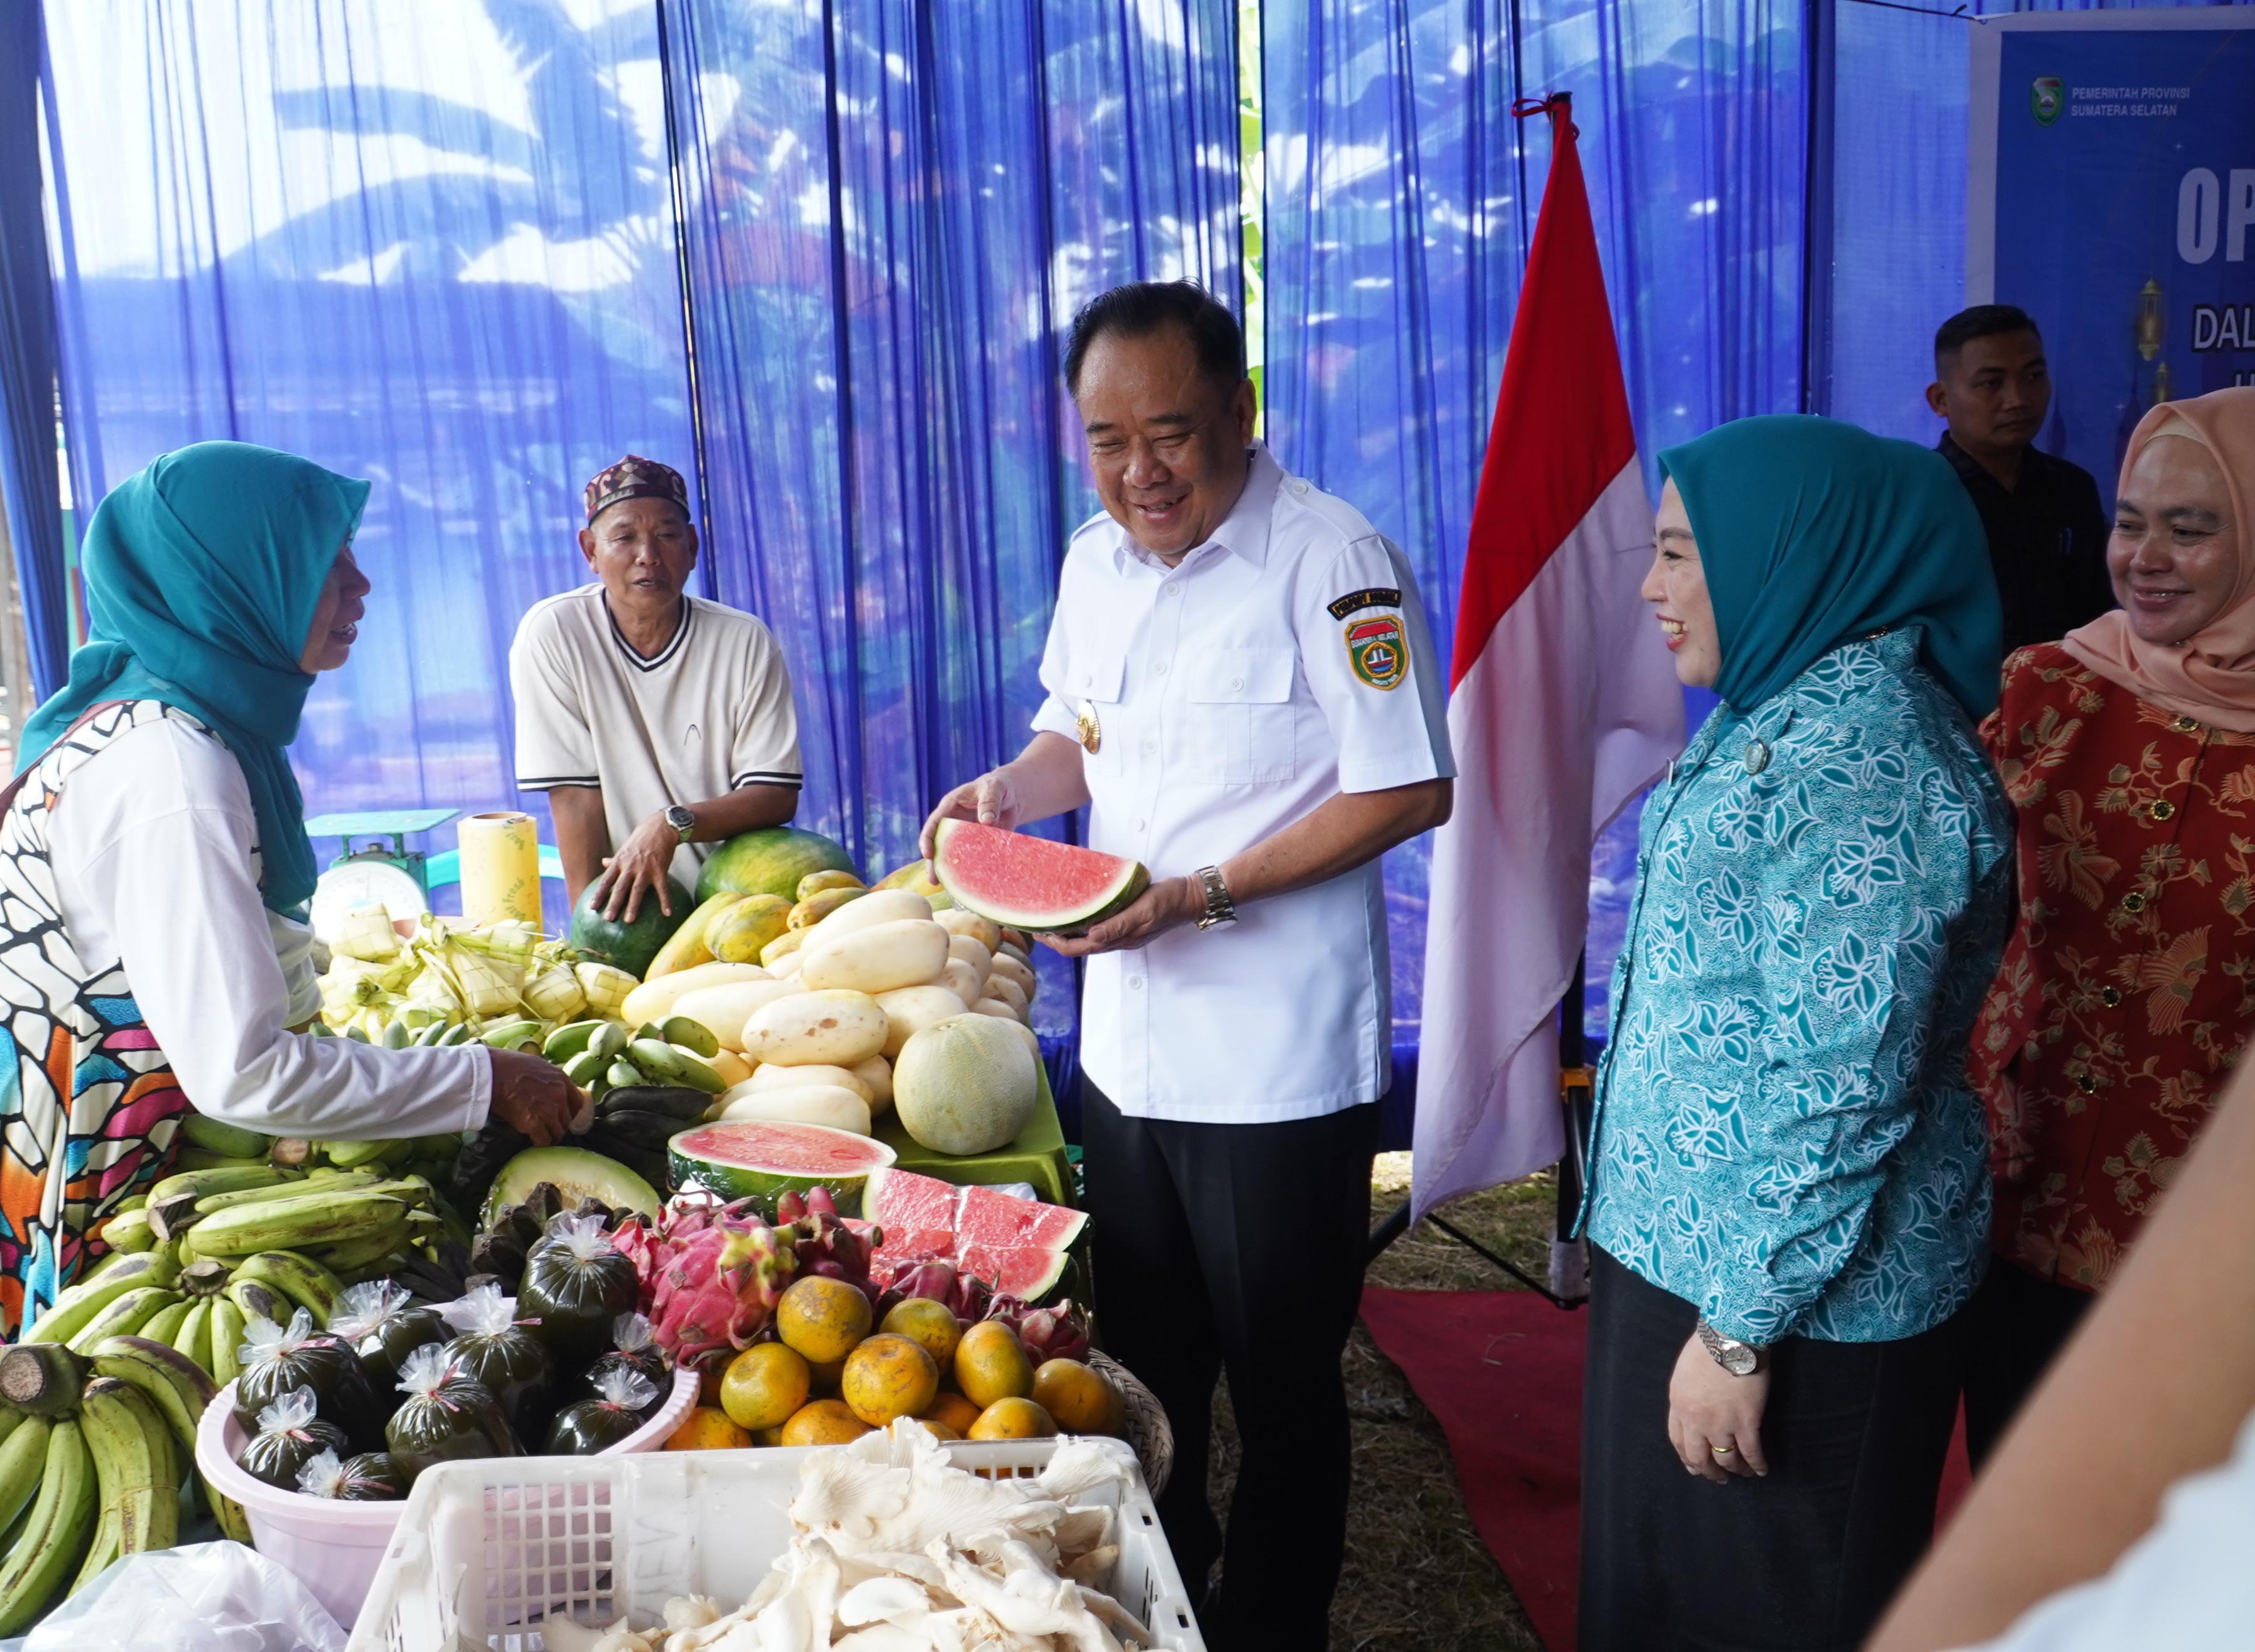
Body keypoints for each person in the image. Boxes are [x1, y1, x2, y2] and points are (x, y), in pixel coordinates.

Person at [0, 442, 581, 1422]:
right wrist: (488, 1078)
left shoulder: (181, 717)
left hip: (13, 1128)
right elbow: (243, 1073)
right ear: (234, 579)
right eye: (323, 560)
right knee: (25, 1446)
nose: (360, 584)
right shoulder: (169, 768)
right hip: (7, 1167)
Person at [921, 281, 1453, 1651]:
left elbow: (1407, 785)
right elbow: (1075, 733)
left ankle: (1271, 1627)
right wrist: (1009, 791)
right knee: (1142, 1370)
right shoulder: (1095, 562)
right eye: (1108, 440)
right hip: (1126, 1055)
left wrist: (1199, 895)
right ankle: (1163, 1608)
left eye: (1170, 433)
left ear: (1240, 410)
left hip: (1274, 1066)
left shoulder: (1333, 560)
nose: (1140, 470)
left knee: (1282, 1389)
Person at [1574, 416, 2011, 1651]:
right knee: (1659, 1599)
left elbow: (1841, 1085)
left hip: (1801, 1301)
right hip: (1696, 1246)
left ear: (1786, 547)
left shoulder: (1872, 760)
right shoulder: (1792, 696)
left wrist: (1738, 1328)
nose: (1651, 586)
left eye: (1678, 552)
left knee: (1762, 1611)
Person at [1960, 385, 2255, 1465]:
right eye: (2131, 522)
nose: (2146, 558)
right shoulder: (2049, 689)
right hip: (2021, 1184)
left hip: (2209, 1229)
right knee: (2017, 1482)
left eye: (2193, 527)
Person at [1868, 1047, 2255, 1652]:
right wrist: (1988, 1082)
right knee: (1996, 1456)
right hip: (2020, 1199)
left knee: (2139, 1514)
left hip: (2167, 1232)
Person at [509, 455, 804, 924]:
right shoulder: (555, 632)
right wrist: (590, 931)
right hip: (629, 909)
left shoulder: (744, 639)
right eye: (624, 537)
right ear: (590, 550)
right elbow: (575, 797)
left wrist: (670, 824)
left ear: (692, 546)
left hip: (736, 903)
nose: (648, 555)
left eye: (667, 535)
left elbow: (774, 793)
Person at [1928, 304, 2114, 652]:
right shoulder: (1918, 498)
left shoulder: (2073, 489)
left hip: (2068, 680)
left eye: (2033, 377)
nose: (2018, 400)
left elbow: (2100, 614)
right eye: (1991, 383)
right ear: (1940, 399)